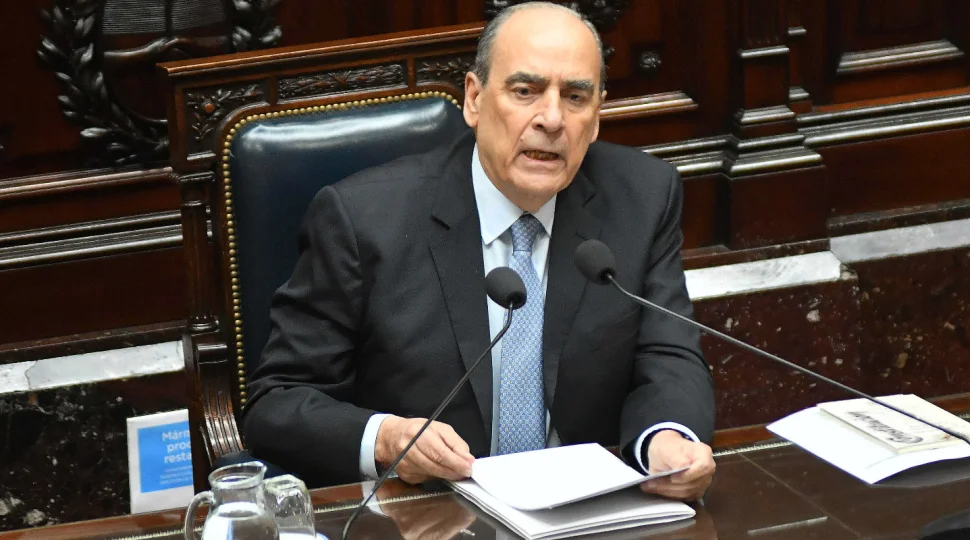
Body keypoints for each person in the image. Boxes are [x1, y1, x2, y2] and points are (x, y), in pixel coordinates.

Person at [243, 1, 716, 502]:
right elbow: (277, 402)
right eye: (525, 91)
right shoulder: (363, 219)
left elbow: (667, 354)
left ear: (597, 116)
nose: (551, 119)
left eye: (575, 97)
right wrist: (386, 438)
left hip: (587, 510)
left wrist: (665, 438)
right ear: (473, 98)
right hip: (428, 511)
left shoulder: (643, 197)